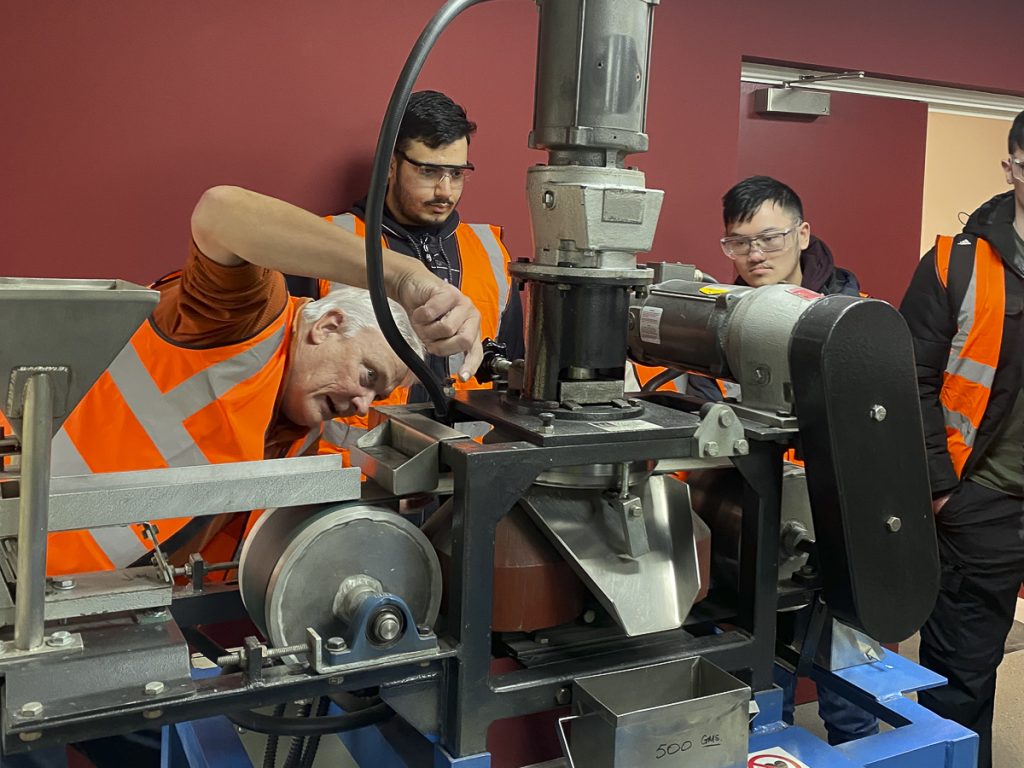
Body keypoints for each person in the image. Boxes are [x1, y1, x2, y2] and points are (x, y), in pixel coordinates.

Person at [37, 184, 483, 576]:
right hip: (27, 558)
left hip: (87, 601)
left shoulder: (303, 424)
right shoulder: (245, 317)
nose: (364, 404)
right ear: (326, 325)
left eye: (378, 394)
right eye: (368, 375)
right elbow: (219, 212)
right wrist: (406, 278)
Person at [686, 176, 879, 745]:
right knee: (761, 688)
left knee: (850, 681)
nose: (753, 255)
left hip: (836, 523)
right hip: (751, 529)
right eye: (737, 243)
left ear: (803, 234)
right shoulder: (714, 327)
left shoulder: (851, 318)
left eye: (769, 238)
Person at [288, 90, 522, 447]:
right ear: (392, 165)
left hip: (464, 479)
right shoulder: (330, 242)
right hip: (354, 481)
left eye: (456, 174)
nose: (445, 190)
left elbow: (513, 377)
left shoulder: (491, 252)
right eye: (428, 171)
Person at [900, 110, 1024, 768]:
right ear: (1010, 167)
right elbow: (908, 379)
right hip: (983, 505)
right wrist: (943, 490)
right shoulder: (958, 264)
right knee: (961, 682)